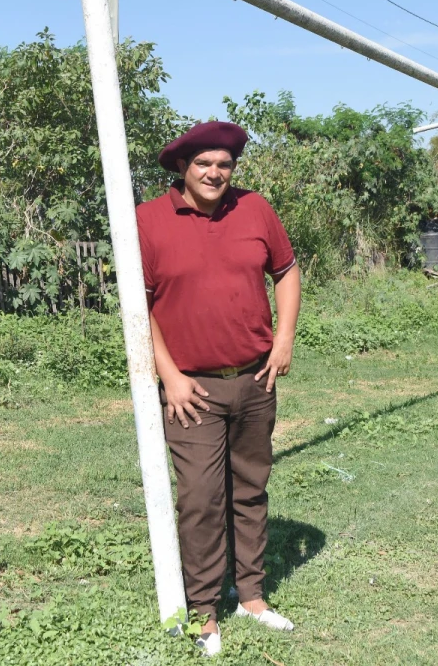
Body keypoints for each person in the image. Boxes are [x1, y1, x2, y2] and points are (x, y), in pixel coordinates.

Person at [136, 121, 301, 657]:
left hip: (255, 377)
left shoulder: (254, 209)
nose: (215, 173)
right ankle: (204, 611)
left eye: (224, 165)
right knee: (203, 500)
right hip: (192, 390)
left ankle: (251, 594)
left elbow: (287, 269)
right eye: (204, 163)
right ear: (183, 168)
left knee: (251, 487)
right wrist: (170, 375)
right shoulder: (148, 221)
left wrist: (283, 339)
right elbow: (136, 307)